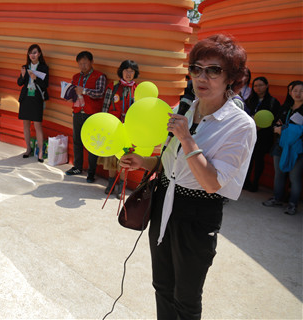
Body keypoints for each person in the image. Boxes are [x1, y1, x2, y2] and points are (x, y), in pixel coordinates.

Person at [120, 34, 256, 320]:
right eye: (196, 68)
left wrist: (187, 138)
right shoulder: (184, 109)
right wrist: (141, 161)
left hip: (197, 215)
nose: (202, 77)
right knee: (162, 286)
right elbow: (168, 163)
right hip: (162, 206)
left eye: (214, 70)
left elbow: (211, 183)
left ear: (230, 76)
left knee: (187, 299)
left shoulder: (240, 125)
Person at [263, 80, 303, 215]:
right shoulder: (286, 108)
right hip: (280, 145)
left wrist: (283, 130)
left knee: (294, 178)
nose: (298, 94)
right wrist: (277, 128)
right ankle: (277, 198)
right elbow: (276, 123)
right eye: (295, 91)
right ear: (290, 92)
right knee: (279, 175)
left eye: (301, 91)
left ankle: (292, 204)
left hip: (297, 149)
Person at [65, 51, 106, 183]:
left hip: (92, 114)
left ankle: (91, 172)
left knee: (92, 143)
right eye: (80, 63)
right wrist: (69, 97)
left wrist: (84, 91)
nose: (82, 66)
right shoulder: (76, 77)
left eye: (85, 63)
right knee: (77, 141)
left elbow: (100, 93)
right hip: (77, 112)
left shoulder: (99, 76)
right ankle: (77, 167)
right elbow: (73, 92)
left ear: (91, 62)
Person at [100, 59, 139, 194]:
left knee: (126, 157)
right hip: (113, 127)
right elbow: (105, 108)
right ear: (121, 71)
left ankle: (122, 187)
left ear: (135, 73)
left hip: (128, 130)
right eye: (126, 70)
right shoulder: (113, 86)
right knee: (112, 156)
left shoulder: (137, 90)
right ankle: (111, 184)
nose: (128, 74)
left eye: (131, 71)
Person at [243, 76, 281, 192]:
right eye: (255, 86)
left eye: (261, 85)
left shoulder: (273, 102)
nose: (258, 88)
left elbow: (276, 120)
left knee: (259, 160)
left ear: (267, 86)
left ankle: (255, 183)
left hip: (263, 136)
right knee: (247, 160)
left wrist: (262, 126)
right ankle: (246, 182)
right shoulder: (250, 100)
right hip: (250, 135)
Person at [17, 44, 49, 162]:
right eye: (30, 53)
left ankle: (40, 151)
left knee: (37, 125)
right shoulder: (25, 66)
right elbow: (20, 83)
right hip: (26, 98)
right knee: (26, 124)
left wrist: (36, 79)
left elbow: (45, 85)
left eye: (35, 52)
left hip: (36, 98)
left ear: (39, 54)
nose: (32, 55)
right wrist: (23, 75)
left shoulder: (44, 68)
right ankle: (28, 149)